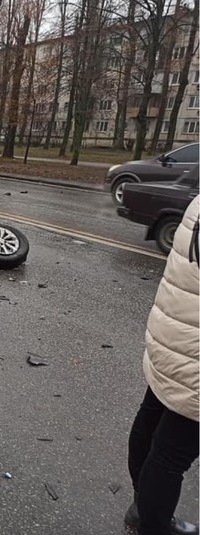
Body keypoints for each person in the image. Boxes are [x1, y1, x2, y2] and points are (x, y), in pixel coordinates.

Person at [126, 195, 199, 535]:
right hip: (193, 354)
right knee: (172, 455)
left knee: (151, 420)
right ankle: (153, 525)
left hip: (174, 336)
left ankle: (143, 507)